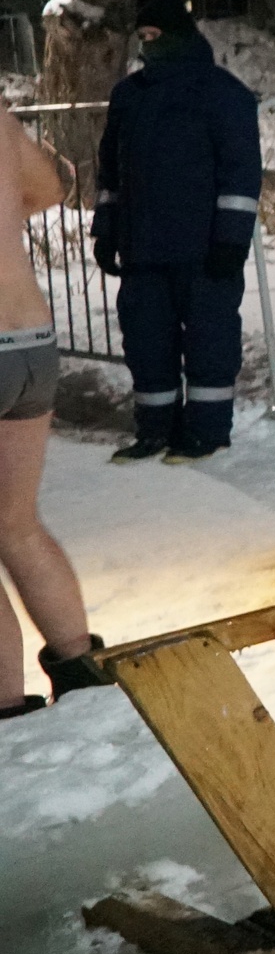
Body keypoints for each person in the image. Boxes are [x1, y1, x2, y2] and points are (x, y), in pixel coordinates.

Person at [92, 0, 262, 463]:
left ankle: (206, 433)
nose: (148, 44)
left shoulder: (222, 93)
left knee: (209, 340)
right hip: (143, 249)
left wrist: (231, 240)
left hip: (203, 248)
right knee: (147, 343)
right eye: (142, 36)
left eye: (156, 35)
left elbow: (241, 173)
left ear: (182, 37)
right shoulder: (129, 96)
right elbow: (111, 173)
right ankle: (155, 432)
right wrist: (105, 229)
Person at [1, 106, 106, 718]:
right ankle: (83, 671)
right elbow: (48, 186)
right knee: (15, 523)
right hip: (29, 342)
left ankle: (7, 707)